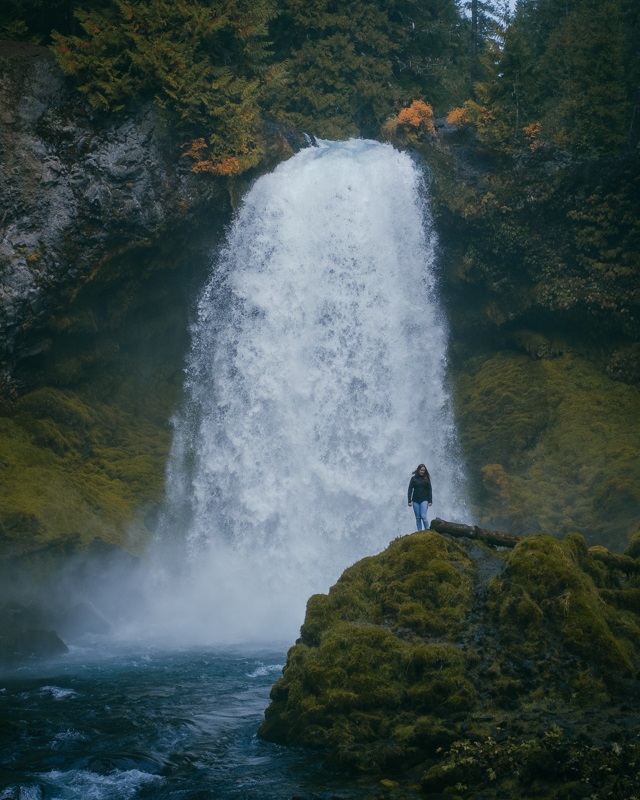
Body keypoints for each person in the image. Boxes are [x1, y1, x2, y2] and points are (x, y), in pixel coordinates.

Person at [408, 463, 432, 531]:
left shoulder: (426, 479)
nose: (422, 471)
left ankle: (427, 530)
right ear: (418, 470)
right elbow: (410, 489)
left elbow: (430, 489)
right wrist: (409, 500)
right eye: (421, 470)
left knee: (423, 516)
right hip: (415, 500)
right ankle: (420, 531)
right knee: (418, 518)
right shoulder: (413, 479)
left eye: (423, 470)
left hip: (424, 499)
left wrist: (430, 501)